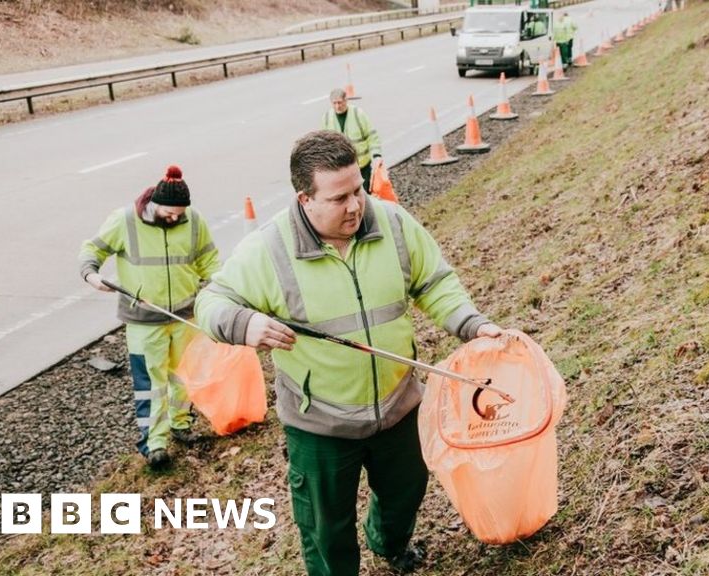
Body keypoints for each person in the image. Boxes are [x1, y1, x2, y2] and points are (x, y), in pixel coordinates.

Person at [195, 130, 502, 576]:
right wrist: (244, 323)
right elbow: (211, 302)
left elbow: (434, 282)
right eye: (339, 198)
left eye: (358, 189)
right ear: (305, 199)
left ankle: (388, 542)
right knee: (326, 527)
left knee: (405, 494)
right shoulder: (268, 250)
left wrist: (473, 325)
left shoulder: (393, 223)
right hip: (319, 422)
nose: (356, 205)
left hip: (398, 406)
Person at [79, 165, 220, 470]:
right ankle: (154, 443)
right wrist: (91, 275)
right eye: (169, 213)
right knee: (151, 383)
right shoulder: (125, 221)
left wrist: (220, 289)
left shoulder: (193, 220)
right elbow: (92, 250)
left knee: (184, 375)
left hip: (184, 314)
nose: (174, 218)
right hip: (143, 320)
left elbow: (209, 260)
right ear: (154, 204)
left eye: (179, 214)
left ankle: (181, 424)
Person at [320, 88, 383, 194]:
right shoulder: (326, 118)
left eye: (340, 102)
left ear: (346, 100)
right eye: (334, 103)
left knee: (364, 195)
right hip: (341, 168)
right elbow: (324, 144)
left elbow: (371, 135)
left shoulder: (358, 114)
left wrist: (377, 155)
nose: (337, 106)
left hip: (362, 166)